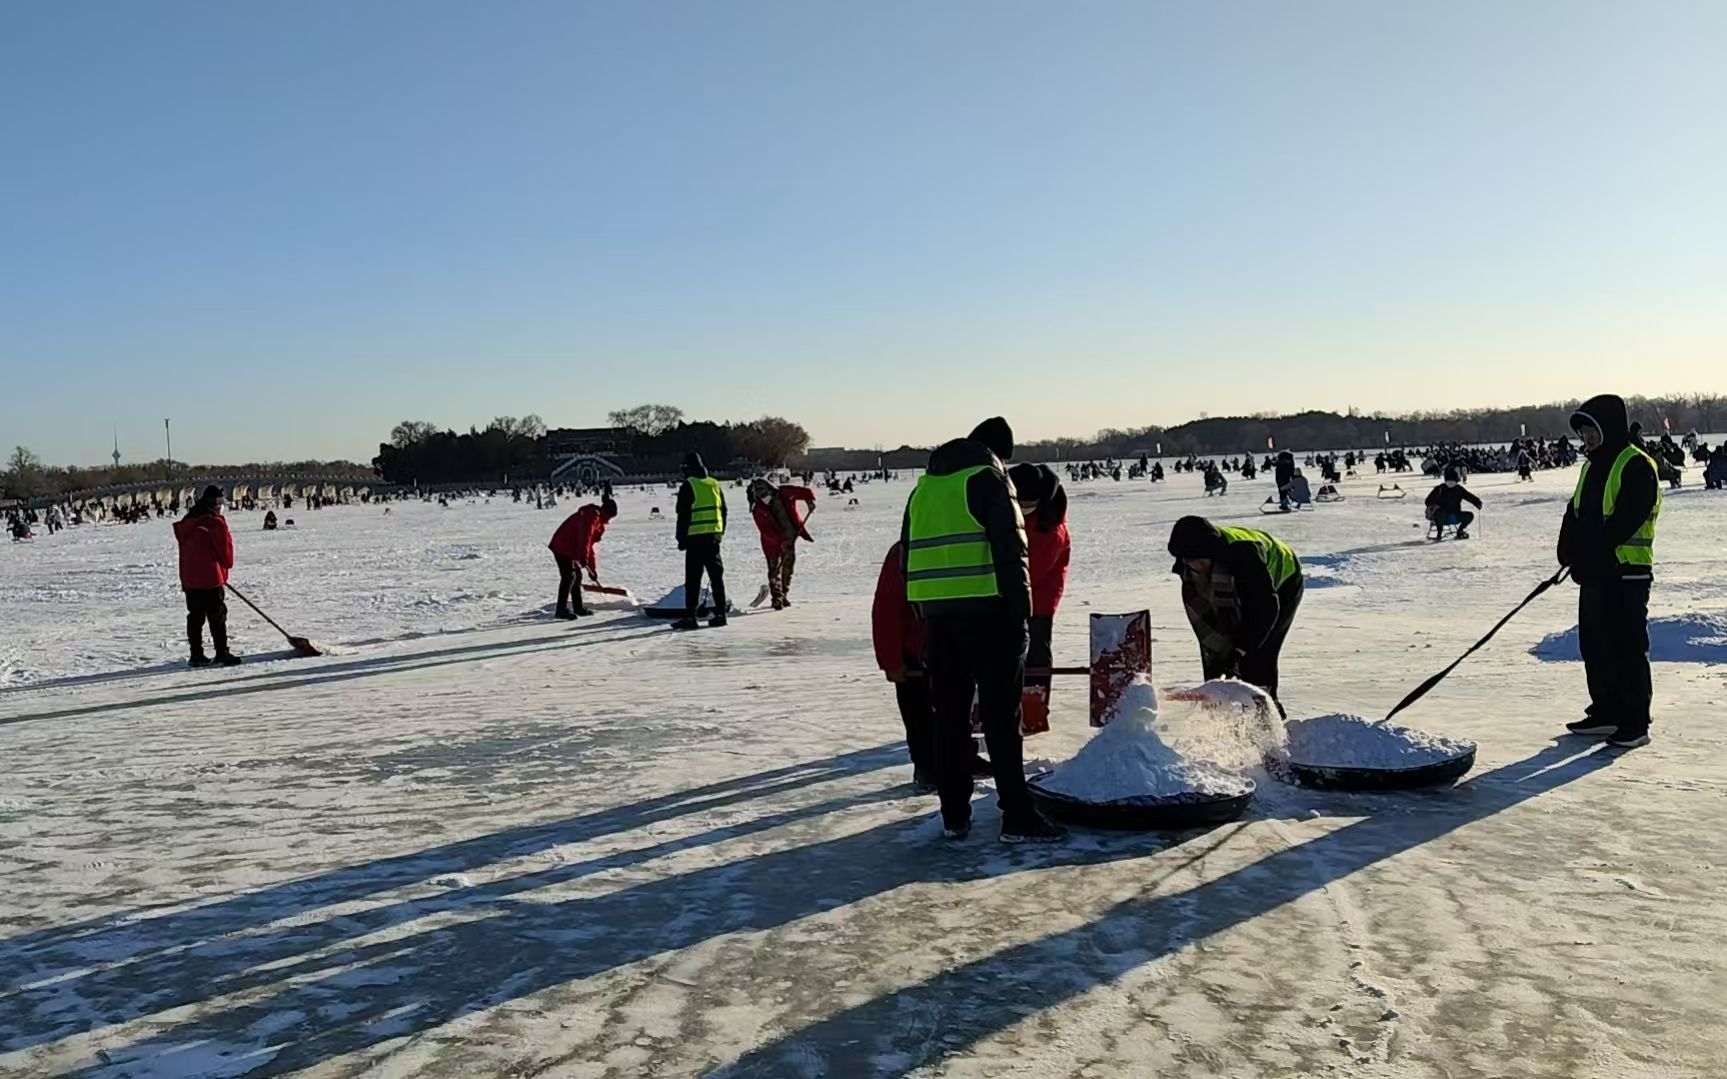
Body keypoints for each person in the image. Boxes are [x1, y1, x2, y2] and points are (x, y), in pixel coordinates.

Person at [903, 417, 1063, 843]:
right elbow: (1012, 553)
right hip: (990, 618)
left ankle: (954, 815)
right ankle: (1017, 815)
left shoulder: (923, 489)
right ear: (997, 453)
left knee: (949, 721)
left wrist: (923, 615)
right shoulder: (989, 479)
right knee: (1001, 719)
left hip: (938, 622)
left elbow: (907, 558)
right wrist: (1021, 618)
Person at [1558, 395, 1660, 748]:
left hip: (1627, 571)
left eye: (1591, 431)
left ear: (1609, 429)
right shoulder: (1590, 468)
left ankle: (1634, 721)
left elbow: (1627, 519)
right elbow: (1574, 512)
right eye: (1583, 433)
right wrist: (1567, 550)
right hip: (1596, 573)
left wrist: (1590, 553)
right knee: (1595, 643)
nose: (1586, 438)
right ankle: (1606, 710)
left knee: (1626, 646)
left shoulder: (1636, 464)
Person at [1167, 516, 1303, 717]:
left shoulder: (1244, 555)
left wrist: (1241, 650)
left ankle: (1268, 714)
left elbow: (1265, 610)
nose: (1196, 567)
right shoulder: (1189, 566)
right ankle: (1222, 714)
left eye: (1201, 562)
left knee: (1258, 655)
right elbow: (1210, 626)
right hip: (1242, 586)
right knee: (1219, 652)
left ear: (1212, 554)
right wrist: (1217, 672)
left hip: (1283, 583)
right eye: (1190, 562)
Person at [1008, 463, 1071, 723]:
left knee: (1036, 650)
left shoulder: (1051, 525)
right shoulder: (1006, 510)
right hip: (1011, 592)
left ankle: (1035, 704)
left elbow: (1033, 571)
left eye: (1028, 504)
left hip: (1040, 596)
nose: (1024, 508)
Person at [174, 485, 240, 667]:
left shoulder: (189, 521)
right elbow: (226, 553)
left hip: (190, 578)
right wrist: (225, 567)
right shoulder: (214, 522)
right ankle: (221, 652)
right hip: (210, 577)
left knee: (195, 617)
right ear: (216, 504)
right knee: (217, 616)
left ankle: (196, 654)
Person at [674, 452, 729, 629]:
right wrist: (719, 533)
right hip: (713, 538)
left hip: (695, 539)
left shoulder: (688, 485)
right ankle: (720, 614)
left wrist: (681, 539)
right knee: (716, 578)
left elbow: (683, 515)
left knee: (693, 580)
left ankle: (691, 616)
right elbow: (723, 511)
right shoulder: (714, 484)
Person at [747, 478, 817, 610]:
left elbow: (806, 492)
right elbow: (766, 531)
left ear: (770, 488)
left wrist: (809, 501)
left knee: (788, 568)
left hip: (790, 538)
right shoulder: (758, 509)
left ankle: (784, 594)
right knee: (774, 571)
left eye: (764, 491)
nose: (762, 495)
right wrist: (781, 543)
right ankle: (777, 599)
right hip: (771, 544)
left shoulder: (785, 492)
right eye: (758, 492)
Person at [548, 492, 618, 619]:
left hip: (571, 548)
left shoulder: (598, 521)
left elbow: (589, 546)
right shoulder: (592, 517)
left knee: (577, 576)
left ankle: (578, 607)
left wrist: (592, 568)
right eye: (609, 517)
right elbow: (584, 538)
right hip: (562, 545)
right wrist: (583, 557)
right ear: (606, 513)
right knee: (569, 576)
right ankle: (561, 609)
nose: (608, 521)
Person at [1424, 466, 1483, 539]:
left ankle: (1460, 531)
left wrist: (1477, 502)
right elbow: (1428, 500)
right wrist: (1434, 504)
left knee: (1469, 515)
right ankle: (1439, 532)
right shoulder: (1440, 489)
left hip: (1455, 515)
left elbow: (1468, 496)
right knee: (1440, 514)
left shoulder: (1458, 489)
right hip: (1442, 516)